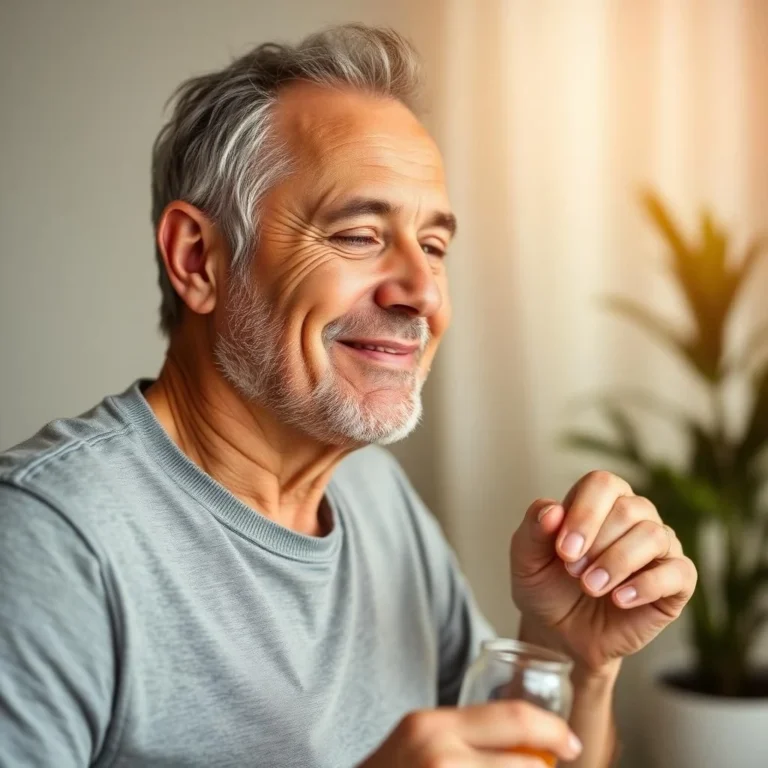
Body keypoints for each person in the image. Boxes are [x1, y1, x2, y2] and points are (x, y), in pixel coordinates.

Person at [0, 24, 696, 768]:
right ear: (199, 258)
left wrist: (576, 659)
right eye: (360, 234)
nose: (423, 292)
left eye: (433, 246)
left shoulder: (374, 494)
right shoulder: (48, 540)